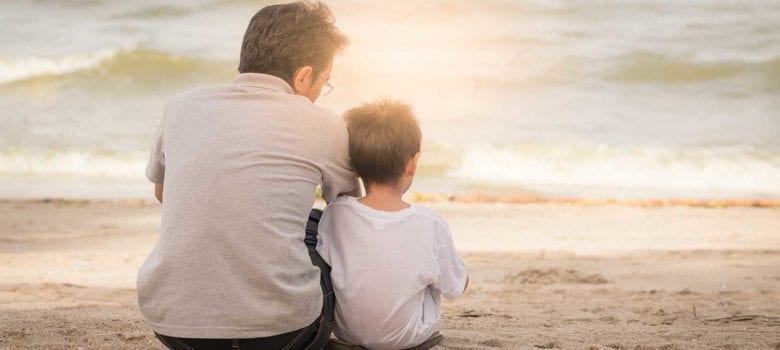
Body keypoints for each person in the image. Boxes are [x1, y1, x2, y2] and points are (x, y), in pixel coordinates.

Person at [138, 2, 359, 349]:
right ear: (303, 76)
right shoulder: (323, 124)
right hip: (285, 335)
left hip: (176, 329)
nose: (319, 94)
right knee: (318, 224)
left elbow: (164, 193)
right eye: (324, 82)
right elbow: (351, 212)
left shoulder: (181, 106)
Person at [316, 100, 469, 350]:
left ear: (352, 164)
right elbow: (456, 288)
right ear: (412, 163)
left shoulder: (334, 214)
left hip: (348, 333)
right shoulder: (429, 224)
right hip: (407, 337)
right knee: (434, 271)